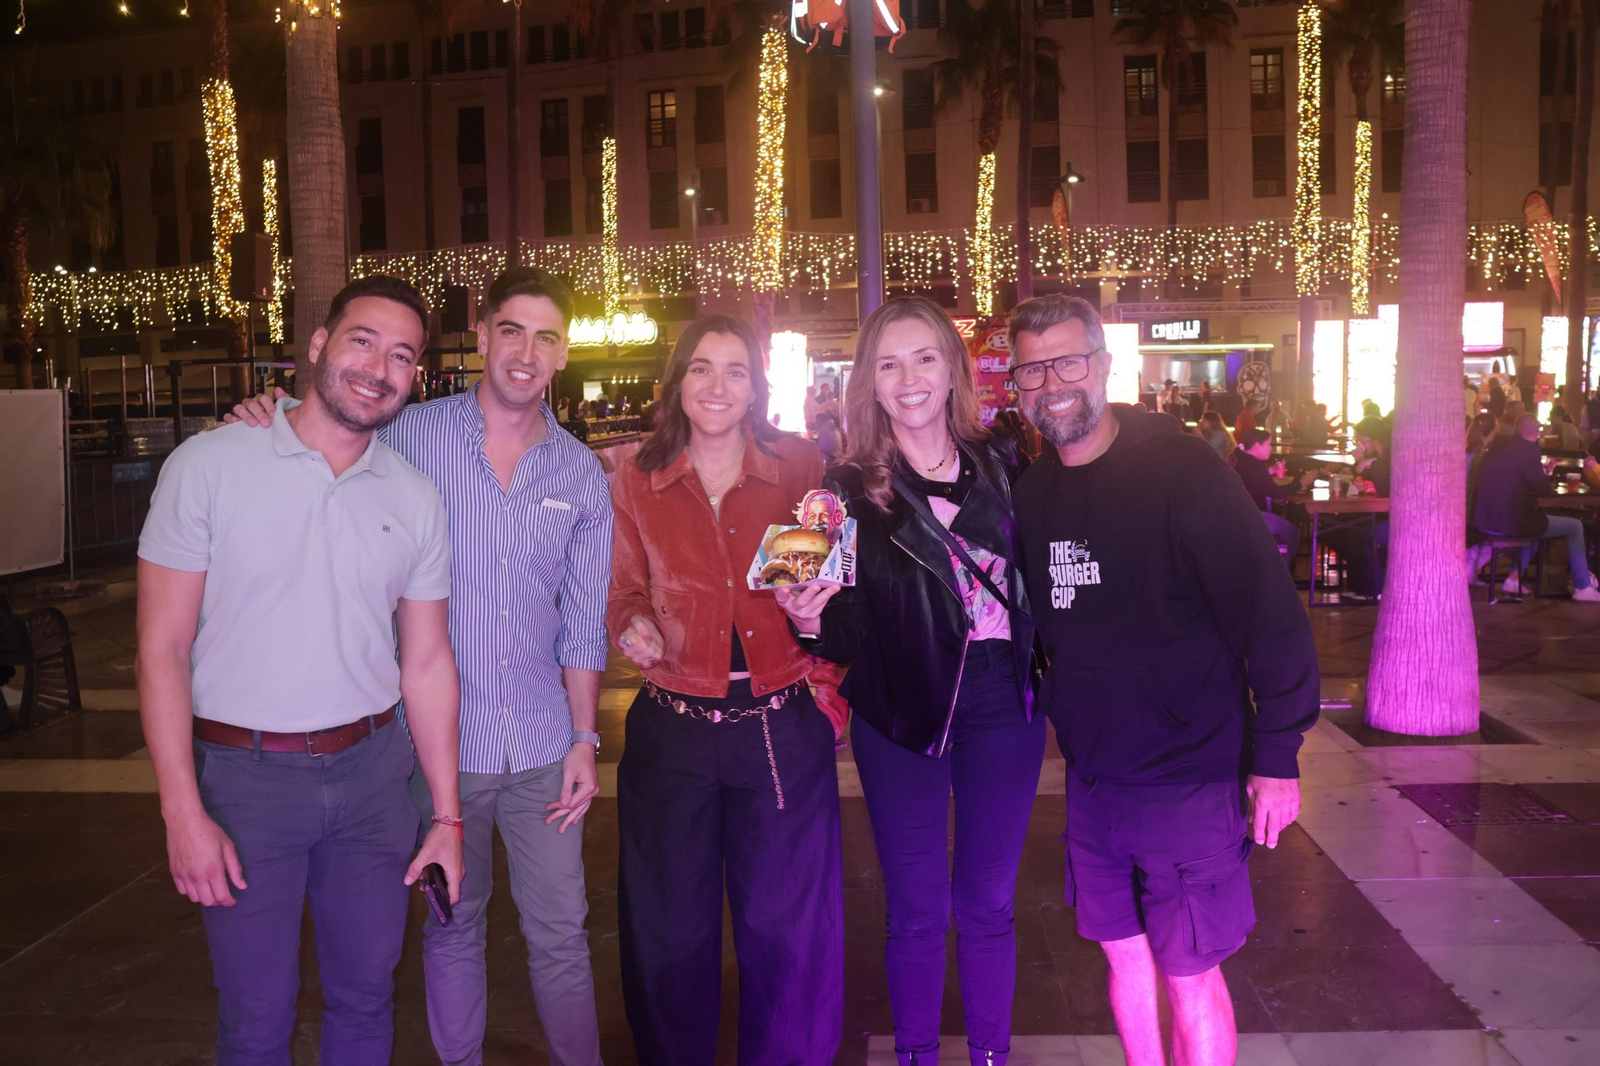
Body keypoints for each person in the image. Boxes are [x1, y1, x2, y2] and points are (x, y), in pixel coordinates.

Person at [223, 268, 612, 1066]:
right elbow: (319, 437)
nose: (525, 352)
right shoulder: (410, 436)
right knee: (452, 926)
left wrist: (583, 737)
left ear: (563, 354)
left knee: (562, 935)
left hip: (541, 746)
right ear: (483, 335)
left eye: (545, 337)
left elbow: (582, 623)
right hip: (434, 748)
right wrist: (263, 419)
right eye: (511, 330)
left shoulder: (579, 474)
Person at [137, 275, 466, 1065]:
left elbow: (424, 663)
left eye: (401, 356)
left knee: (365, 1000)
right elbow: (161, 649)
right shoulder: (208, 465)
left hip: (372, 783)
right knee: (255, 1021)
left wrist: (447, 819)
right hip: (248, 783)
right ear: (318, 345)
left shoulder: (415, 496)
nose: (378, 367)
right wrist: (182, 812)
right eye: (362, 340)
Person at [1005, 294, 1318, 1066]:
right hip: (1094, 780)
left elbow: (1270, 616)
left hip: (1189, 777)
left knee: (1190, 972)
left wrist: (1277, 756)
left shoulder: (1182, 470)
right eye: (1034, 369)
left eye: (1069, 360)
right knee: (1123, 958)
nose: (1053, 383)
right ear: (1016, 386)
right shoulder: (1032, 495)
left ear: (1105, 366)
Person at [777, 297, 1046, 1066]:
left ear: (952, 368)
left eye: (924, 357)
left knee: (989, 905)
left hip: (1004, 702)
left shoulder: (1009, 459)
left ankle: (992, 1056)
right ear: (870, 382)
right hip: (900, 710)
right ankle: (918, 1058)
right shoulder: (836, 492)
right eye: (888, 363)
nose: (909, 378)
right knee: (918, 910)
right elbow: (829, 625)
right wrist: (803, 618)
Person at [608, 315, 843, 1065]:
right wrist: (633, 625)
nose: (716, 386)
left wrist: (823, 656)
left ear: (756, 386)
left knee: (788, 928)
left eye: (735, 370)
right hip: (671, 728)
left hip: (778, 724)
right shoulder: (634, 477)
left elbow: (827, 583)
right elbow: (621, 593)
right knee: (669, 930)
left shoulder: (799, 464)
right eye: (701, 368)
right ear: (677, 381)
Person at [1472, 415, 1600, 601]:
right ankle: (1583, 587)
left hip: (1484, 520)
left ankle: (1513, 579)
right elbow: (1543, 491)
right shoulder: (1530, 450)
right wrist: (1545, 475)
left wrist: (1540, 473)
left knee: (1535, 527)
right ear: (1536, 433)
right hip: (1510, 522)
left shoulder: (1496, 449)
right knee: (1574, 526)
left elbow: (1514, 479)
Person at [1230, 428, 1314, 565]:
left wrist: (1268, 472)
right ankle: (1281, 573)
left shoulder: (1241, 459)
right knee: (1292, 533)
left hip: (1238, 515)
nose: (1271, 448)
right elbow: (1275, 493)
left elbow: (1254, 480)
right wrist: (1301, 483)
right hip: (1253, 517)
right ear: (1257, 445)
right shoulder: (1254, 465)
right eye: (1269, 444)